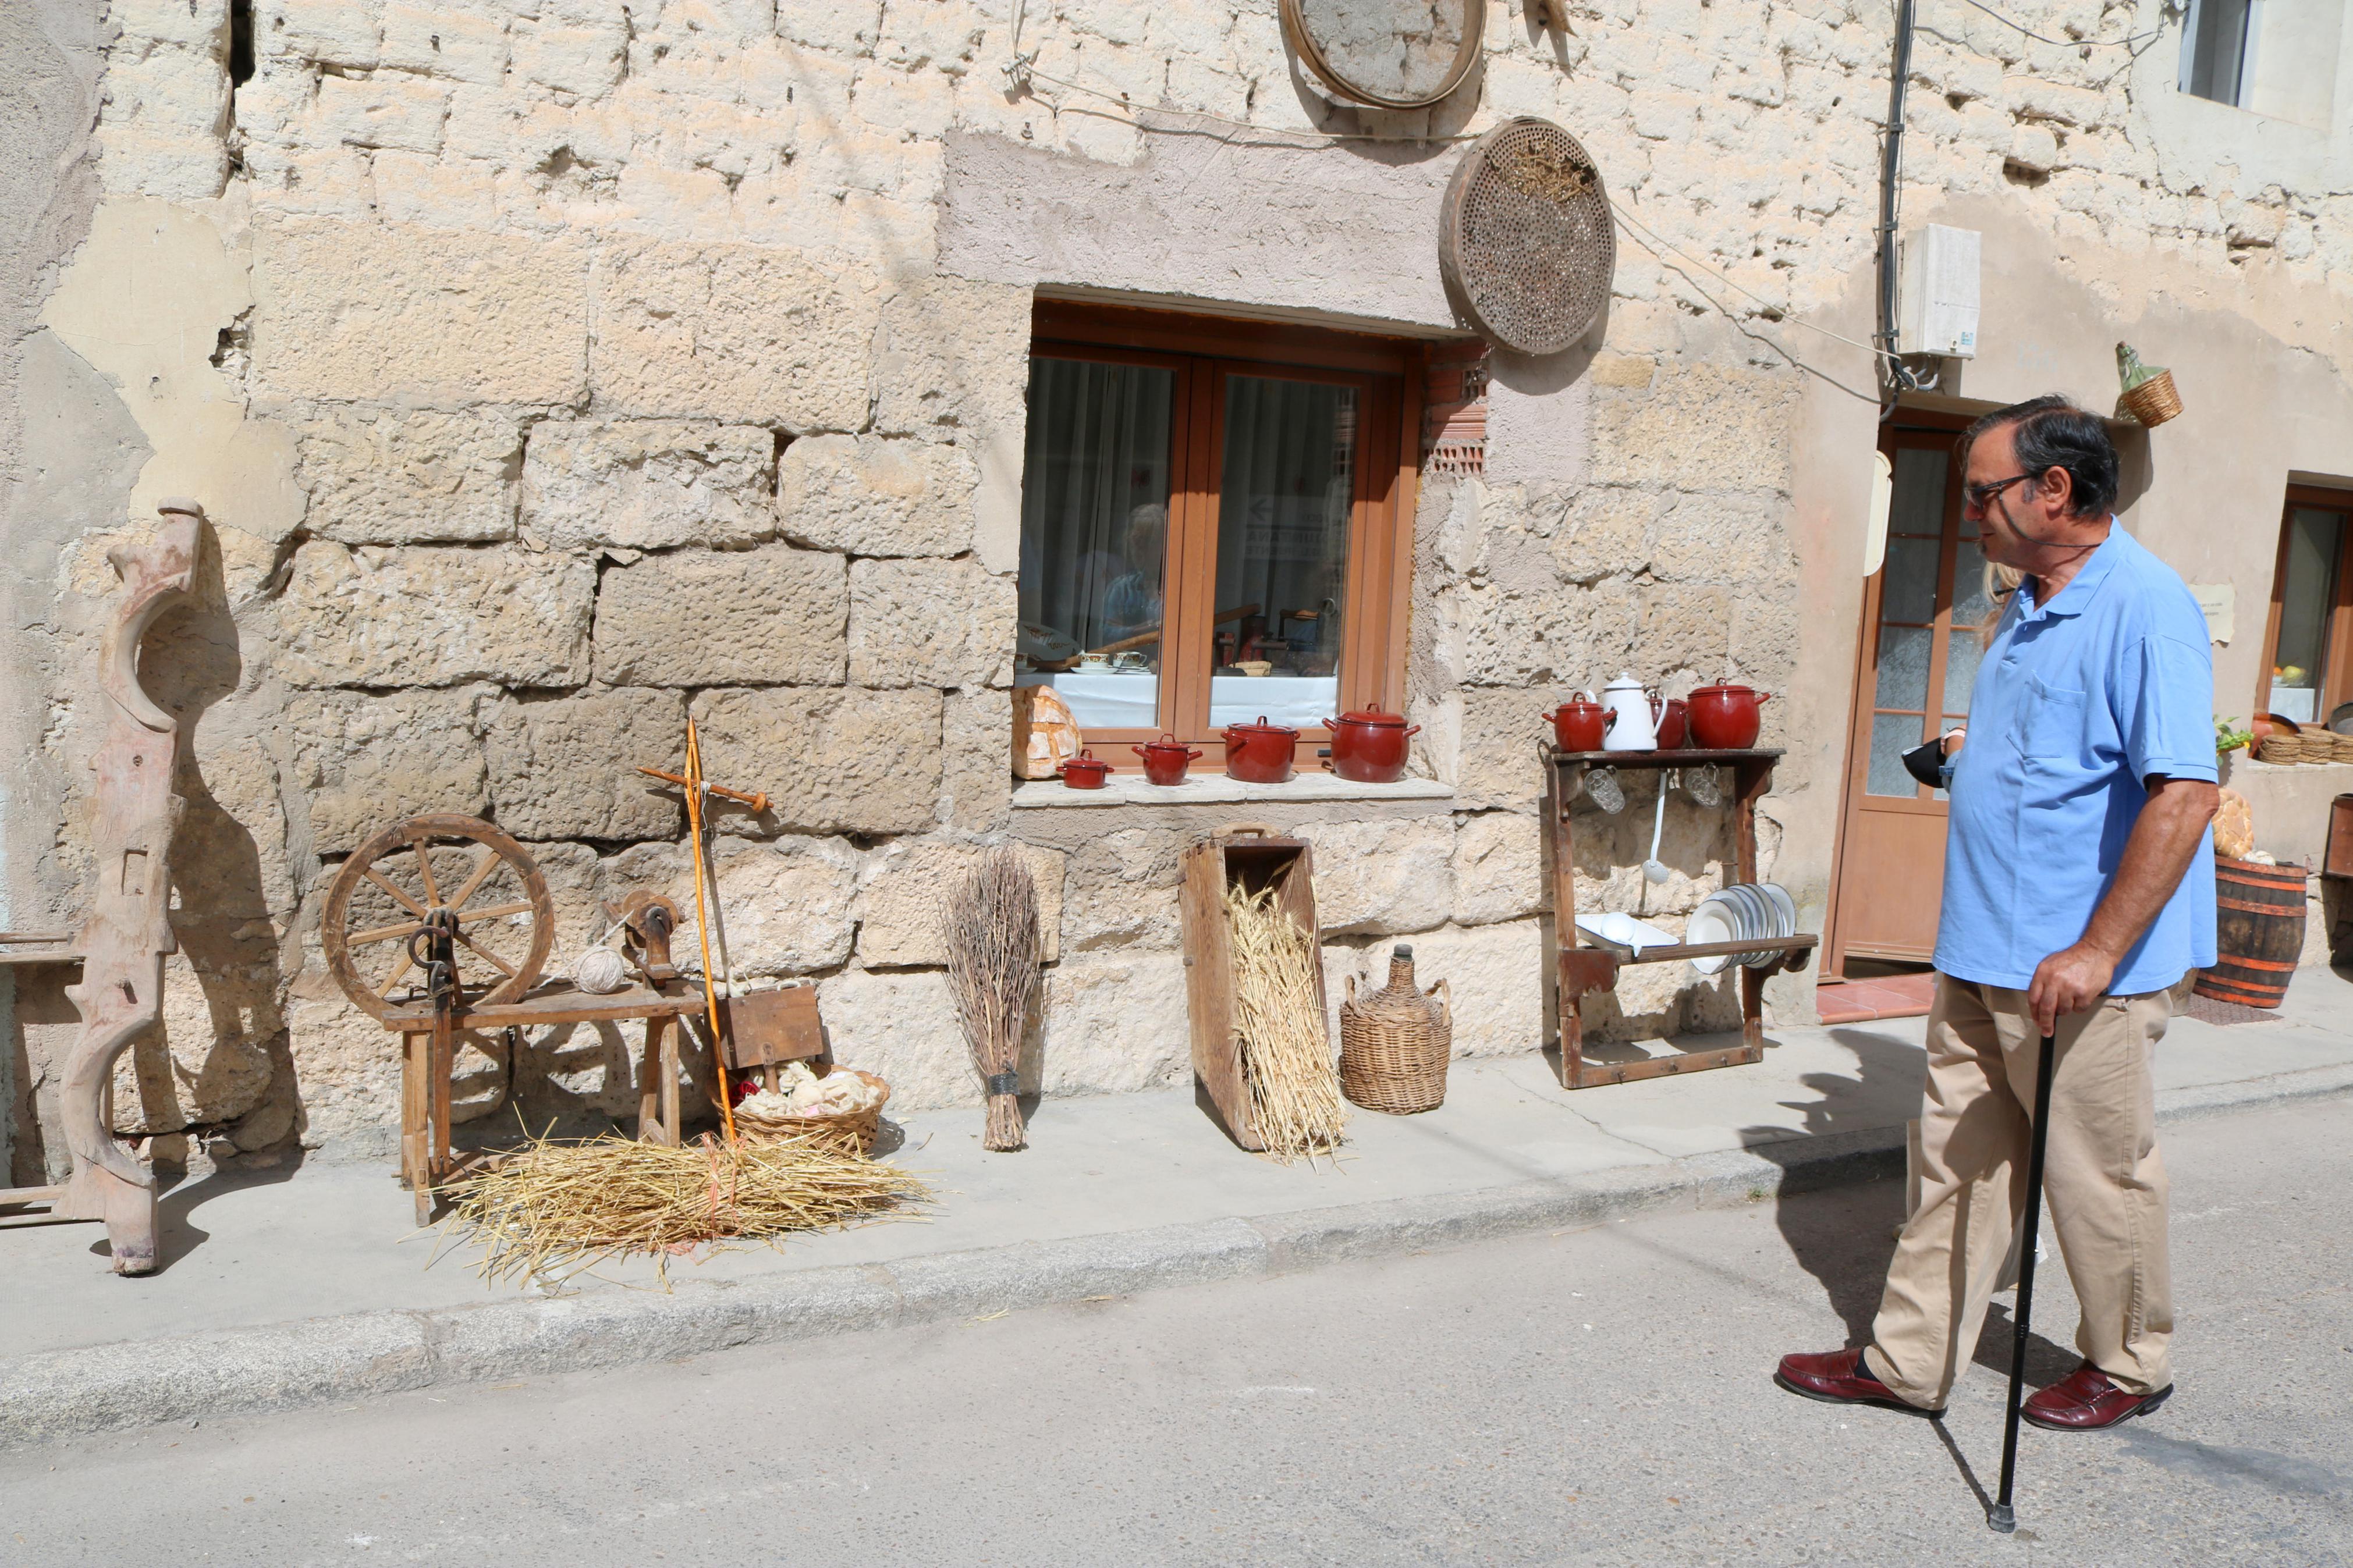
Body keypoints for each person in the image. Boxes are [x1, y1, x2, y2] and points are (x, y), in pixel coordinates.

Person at [1777, 395, 2219, 1431]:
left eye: (1982, 492)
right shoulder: (2027, 601)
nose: (1970, 510)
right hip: (1982, 943)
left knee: (2096, 1176)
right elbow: (2063, 759)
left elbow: (2185, 794)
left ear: (2053, 490)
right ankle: (1910, 1362)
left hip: (2075, 968)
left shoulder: (2144, 607)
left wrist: (2099, 949)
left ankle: (2130, 1363)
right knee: (1952, 1167)